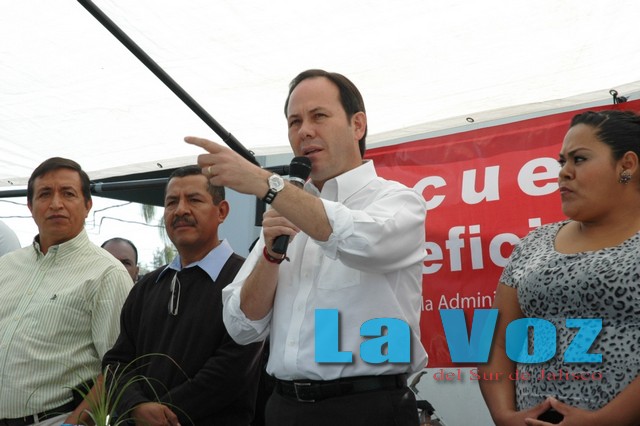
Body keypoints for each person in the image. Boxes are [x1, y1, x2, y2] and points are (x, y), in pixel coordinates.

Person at [185, 69, 428, 426]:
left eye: (319, 116)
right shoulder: (285, 208)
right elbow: (241, 326)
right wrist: (270, 256)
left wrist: (265, 183)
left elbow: (364, 242)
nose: (305, 131)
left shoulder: (398, 202)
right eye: (294, 122)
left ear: (357, 125)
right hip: (284, 408)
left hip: (368, 408)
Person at [478, 110, 640, 426]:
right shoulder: (533, 243)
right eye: (561, 162)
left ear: (627, 165)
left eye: (579, 159)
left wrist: (602, 421)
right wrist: (505, 416)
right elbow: (497, 341)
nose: (564, 172)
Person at [102, 165, 264, 426]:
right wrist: (136, 406)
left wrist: (163, 414)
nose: (180, 210)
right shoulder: (147, 286)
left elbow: (232, 369)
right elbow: (116, 363)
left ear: (222, 211)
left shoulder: (247, 279)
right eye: (171, 202)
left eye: (194, 200)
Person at [0, 157, 133, 426]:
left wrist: (73, 423)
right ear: (30, 206)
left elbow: (118, 368)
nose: (56, 204)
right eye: (44, 194)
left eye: (68, 193)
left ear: (88, 205)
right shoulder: (7, 265)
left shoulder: (107, 273)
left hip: (55, 419)